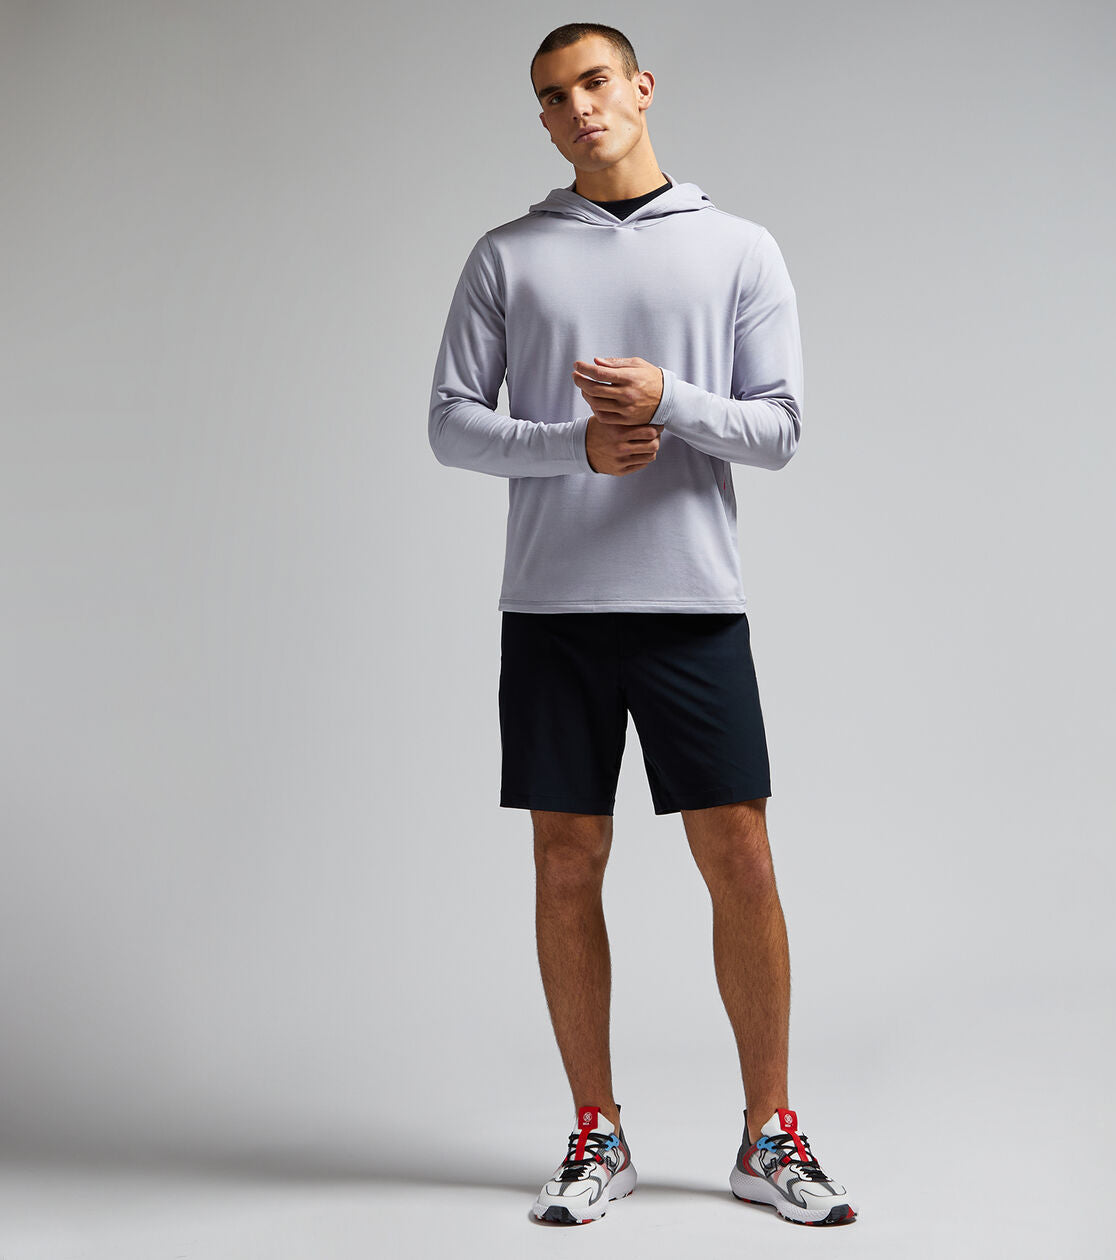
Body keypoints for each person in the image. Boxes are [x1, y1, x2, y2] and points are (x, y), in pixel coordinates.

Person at [428, 21, 856, 1228]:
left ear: (642, 87)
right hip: (551, 610)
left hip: (691, 605)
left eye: (596, 82)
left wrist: (673, 399)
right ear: (543, 118)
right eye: (553, 96)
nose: (578, 108)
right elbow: (451, 422)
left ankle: (768, 1134)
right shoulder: (508, 256)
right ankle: (595, 1132)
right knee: (566, 862)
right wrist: (574, 447)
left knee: (743, 859)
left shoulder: (738, 248)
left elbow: (780, 429)